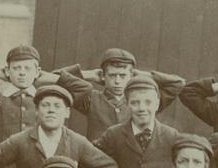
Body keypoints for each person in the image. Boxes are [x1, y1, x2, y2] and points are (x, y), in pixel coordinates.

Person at [92, 74, 185, 168]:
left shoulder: (172, 136)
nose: (142, 108)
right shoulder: (113, 134)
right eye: (135, 102)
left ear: (157, 104)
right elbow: (87, 163)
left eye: (148, 102)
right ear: (127, 104)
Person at [56, 47, 186, 140]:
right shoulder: (91, 99)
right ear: (103, 76)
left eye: (123, 76)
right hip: (98, 166)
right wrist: (89, 75)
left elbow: (178, 83)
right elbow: (54, 78)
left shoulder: (143, 103)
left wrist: (142, 75)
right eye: (112, 75)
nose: (117, 81)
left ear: (131, 75)